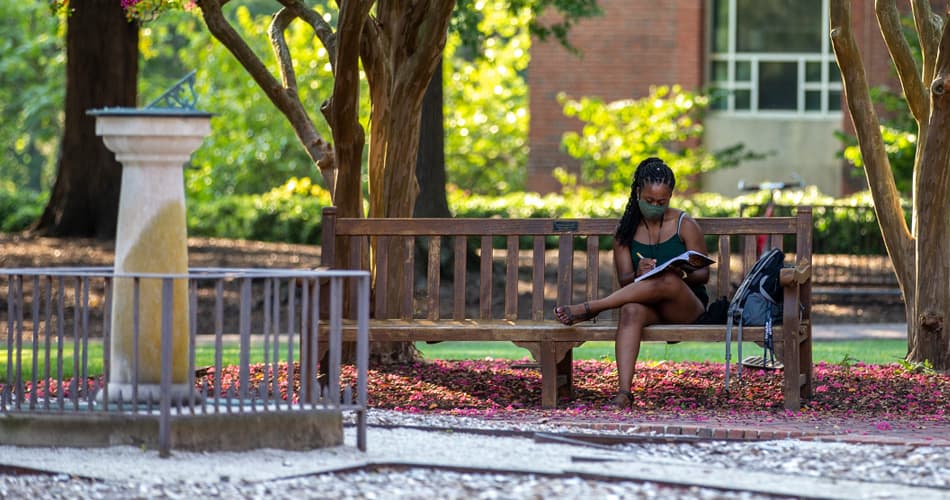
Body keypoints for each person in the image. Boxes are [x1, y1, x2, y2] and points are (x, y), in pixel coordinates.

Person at [553, 157, 710, 409]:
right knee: (630, 310)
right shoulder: (626, 229)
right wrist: (638, 270)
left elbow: (703, 276)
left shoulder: (685, 224)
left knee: (667, 279)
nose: (655, 206)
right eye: (649, 201)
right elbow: (625, 280)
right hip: (650, 308)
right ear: (638, 192)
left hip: (686, 307)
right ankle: (624, 392)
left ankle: (592, 307)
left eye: (662, 202)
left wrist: (682, 269)